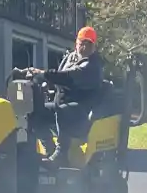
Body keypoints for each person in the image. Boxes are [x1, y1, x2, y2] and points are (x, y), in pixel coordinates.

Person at [36, 26, 104, 163]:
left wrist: (44, 74)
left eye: (88, 44)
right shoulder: (70, 58)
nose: (84, 47)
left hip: (83, 110)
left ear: (94, 46)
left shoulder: (92, 66)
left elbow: (68, 77)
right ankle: (49, 148)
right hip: (62, 103)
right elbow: (59, 76)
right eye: (82, 43)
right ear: (76, 43)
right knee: (35, 111)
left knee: (63, 110)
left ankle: (61, 153)